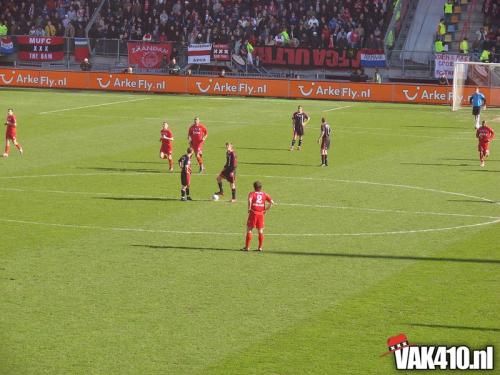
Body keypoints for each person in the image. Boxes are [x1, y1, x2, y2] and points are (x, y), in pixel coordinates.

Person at [242, 181, 274, 252]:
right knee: (260, 230)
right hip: (261, 214)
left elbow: (250, 200)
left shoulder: (252, 193)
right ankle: (260, 247)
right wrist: (266, 210)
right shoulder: (264, 194)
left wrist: (249, 208)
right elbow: (272, 202)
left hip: (253, 213)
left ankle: (247, 247)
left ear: (254, 187)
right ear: (261, 187)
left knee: (249, 229)